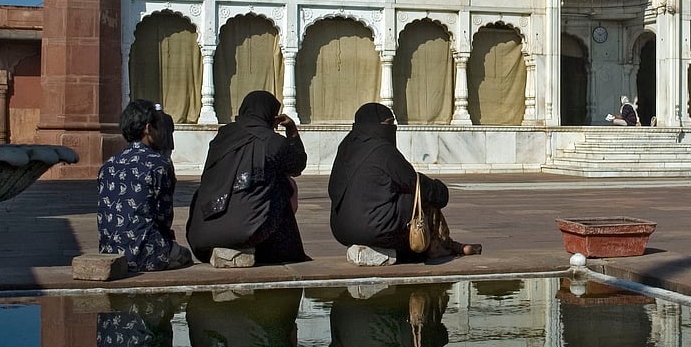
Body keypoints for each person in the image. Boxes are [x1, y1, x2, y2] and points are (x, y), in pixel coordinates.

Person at [328, 102, 481, 265]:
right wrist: (440, 191)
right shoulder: (382, 150)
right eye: (389, 124)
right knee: (420, 195)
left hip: (340, 230)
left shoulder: (345, 147)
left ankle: (441, 245)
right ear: (375, 125)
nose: (392, 128)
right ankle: (441, 245)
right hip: (374, 229)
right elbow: (412, 181)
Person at [186, 90, 309, 266]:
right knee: (285, 184)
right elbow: (297, 166)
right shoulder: (272, 141)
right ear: (271, 116)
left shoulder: (223, 135)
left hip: (201, 236)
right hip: (245, 232)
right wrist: (292, 130)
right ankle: (277, 249)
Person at [97, 99, 193, 271]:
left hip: (110, 251)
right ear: (148, 129)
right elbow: (164, 216)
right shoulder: (159, 164)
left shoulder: (108, 165)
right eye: (158, 127)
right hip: (145, 253)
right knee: (184, 256)